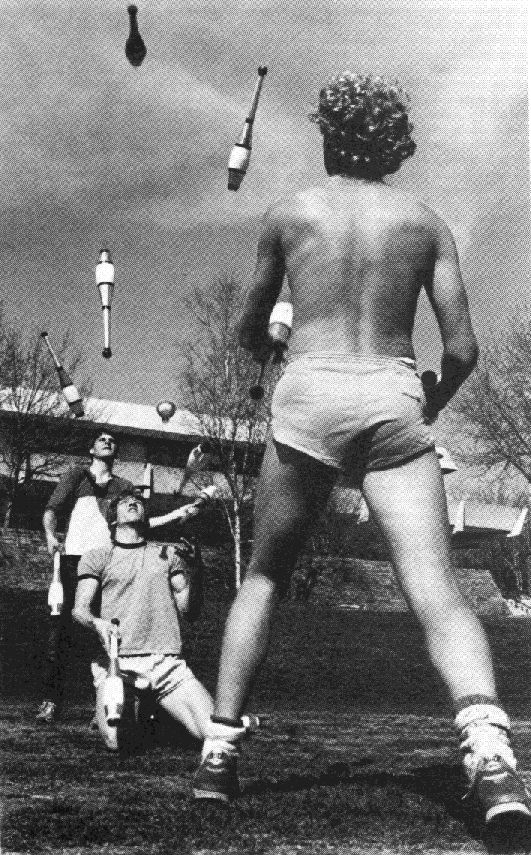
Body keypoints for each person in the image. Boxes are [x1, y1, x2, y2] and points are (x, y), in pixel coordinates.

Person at [193, 72, 531, 828]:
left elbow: (247, 328)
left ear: (327, 135)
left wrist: (270, 339)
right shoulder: (424, 223)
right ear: (394, 145)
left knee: (265, 576)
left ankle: (218, 754)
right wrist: (430, 402)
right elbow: (463, 349)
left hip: (309, 393)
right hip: (390, 395)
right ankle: (492, 758)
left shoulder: (290, 213)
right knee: (437, 593)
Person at [72, 488, 214, 751]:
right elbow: (79, 609)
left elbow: (189, 611)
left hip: (165, 664)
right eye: (125, 502)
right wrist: (97, 623)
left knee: (213, 733)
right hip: (117, 664)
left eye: (137, 501)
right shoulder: (97, 556)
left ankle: (152, 706)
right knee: (117, 741)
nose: (133, 502)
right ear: (113, 519)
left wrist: (196, 571)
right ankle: (146, 707)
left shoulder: (168, 554)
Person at [36, 430, 135, 723]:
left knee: (106, 634)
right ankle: (50, 701)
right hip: (73, 562)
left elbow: (133, 523)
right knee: (60, 632)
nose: (107, 442)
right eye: (101, 439)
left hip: (109, 564)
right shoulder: (76, 476)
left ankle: (103, 706)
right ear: (91, 449)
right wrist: (50, 535)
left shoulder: (125, 486)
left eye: (112, 440)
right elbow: (52, 510)